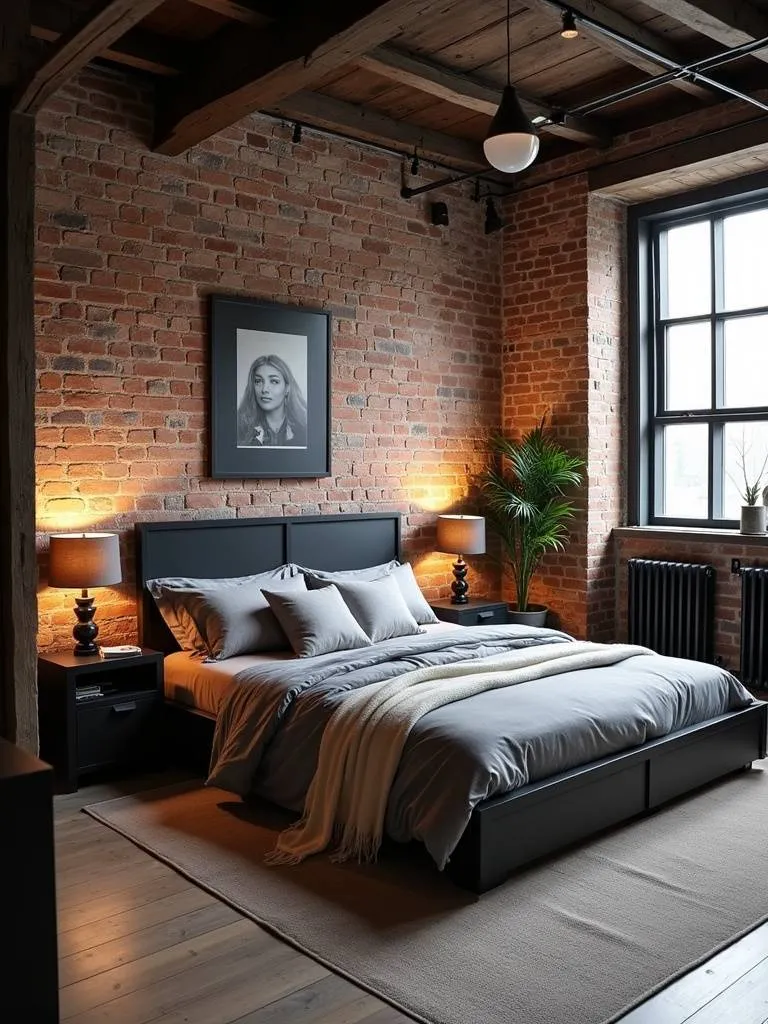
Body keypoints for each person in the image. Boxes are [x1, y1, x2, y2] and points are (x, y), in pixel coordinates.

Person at [237, 353, 308, 447]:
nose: (264, 389)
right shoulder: (240, 428)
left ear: (287, 388)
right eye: (258, 381)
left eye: (274, 381)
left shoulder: (304, 429)